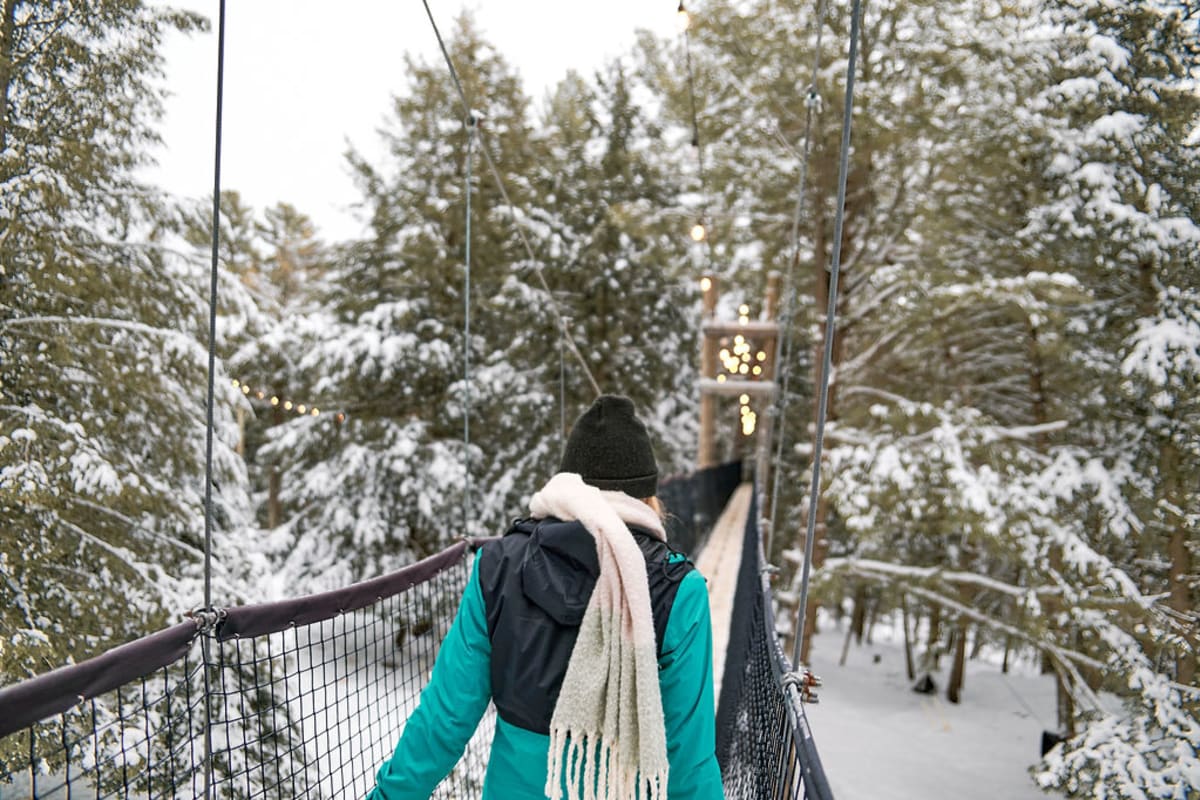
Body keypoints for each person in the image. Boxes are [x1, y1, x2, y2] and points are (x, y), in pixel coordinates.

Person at [368, 395, 725, 800]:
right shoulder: (676, 587)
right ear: (647, 498)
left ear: (569, 485)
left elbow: (444, 720)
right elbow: (689, 758)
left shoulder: (496, 567)